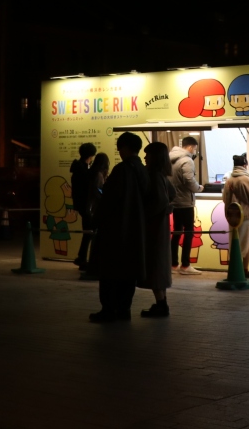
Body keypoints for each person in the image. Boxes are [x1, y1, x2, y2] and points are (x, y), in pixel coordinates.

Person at [91, 133, 148, 323]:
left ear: (124, 147)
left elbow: (108, 200)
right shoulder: (143, 170)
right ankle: (124, 310)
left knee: (109, 272)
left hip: (115, 229)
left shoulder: (121, 170)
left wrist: (96, 220)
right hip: (136, 231)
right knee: (128, 274)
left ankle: (108, 310)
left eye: (119, 146)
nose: (118, 150)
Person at [139, 142, 175, 317]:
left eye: (148, 155)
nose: (145, 157)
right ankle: (162, 302)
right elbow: (171, 195)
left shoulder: (152, 175)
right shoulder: (162, 175)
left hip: (154, 228)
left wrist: (144, 214)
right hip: (161, 227)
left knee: (155, 265)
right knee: (159, 264)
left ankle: (161, 304)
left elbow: (160, 201)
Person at [221, 153, 249, 279]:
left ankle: (233, 267)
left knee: (234, 241)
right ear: (245, 165)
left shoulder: (229, 179)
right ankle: (244, 269)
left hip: (232, 216)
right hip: (245, 215)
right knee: (246, 242)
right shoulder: (245, 179)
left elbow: (224, 198)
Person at [169, 137, 204, 275]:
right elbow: (189, 180)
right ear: (190, 147)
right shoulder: (187, 160)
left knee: (177, 232)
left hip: (174, 201)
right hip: (185, 202)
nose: (195, 151)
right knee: (189, 232)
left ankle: (173, 264)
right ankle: (185, 265)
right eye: (195, 149)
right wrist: (199, 188)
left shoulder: (170, 159)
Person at [70, 142, 98, 270]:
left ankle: (82, 258)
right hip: (85, 205)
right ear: (91, 155)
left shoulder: (78, 168)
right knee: (89, 231)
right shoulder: (83, 170)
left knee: (88, 231)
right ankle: (82, 258)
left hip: (81, 204)